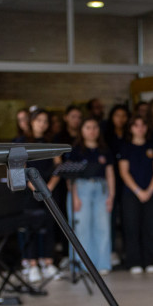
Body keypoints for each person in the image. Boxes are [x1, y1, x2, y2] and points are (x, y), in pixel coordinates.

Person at [15, 109, 60, 282]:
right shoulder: (22, 141)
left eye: (45, 121)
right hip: (30, 190)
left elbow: (57, 165)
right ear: (32, 121)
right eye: (39, 120)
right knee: (30, 227)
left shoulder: (51, 141)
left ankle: (48, 262)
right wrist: (35, 187)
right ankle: (32, 264)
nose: (42, 124)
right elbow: (21, 167)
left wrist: (49, 187)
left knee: (48, 225)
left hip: (48, 189)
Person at [65, 117, 115, 274]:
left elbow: (110, 174)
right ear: (81, 130)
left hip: (101, 189)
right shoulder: (75, 150)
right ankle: (82, 265)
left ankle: (102, 264)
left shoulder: (105, 150)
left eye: (95, 127)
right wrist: (74, 196)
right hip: (81, 189)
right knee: (82, 228)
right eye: (88, 127)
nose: (92, 130)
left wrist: (111, 196)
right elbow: (69, 176)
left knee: (103, 228)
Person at [118, 116, 153, 273]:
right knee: (132, 226)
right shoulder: (126, 147)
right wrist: (138, 191)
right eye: (136, 125)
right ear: (130, 128)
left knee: (150, 226)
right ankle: (133, 261)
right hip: (131, 193)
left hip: (150, 192)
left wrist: (149, 191)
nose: (140, 128)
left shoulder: (152, 146)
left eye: (143, 125)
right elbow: (124, 172)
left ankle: (151, 260)